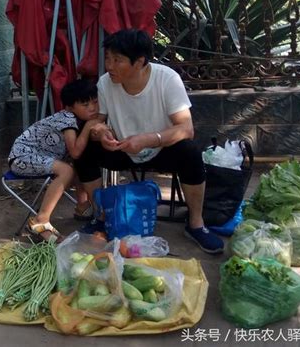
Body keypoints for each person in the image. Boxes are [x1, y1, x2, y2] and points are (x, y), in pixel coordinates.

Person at [74, 29, 224, 254]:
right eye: (107, 58)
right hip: (121, 149)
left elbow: (186, 128)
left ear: (140, 62)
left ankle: (196, 224)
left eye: (117, 60)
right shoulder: (105, 84)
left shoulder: (167, 79)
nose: (109, 66)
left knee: (190, 151)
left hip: (161, 149)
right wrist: (101, 133)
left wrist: (150, 139)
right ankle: (102, 216)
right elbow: (99, 121)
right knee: (85, 149)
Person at [8, 79, 103, 242]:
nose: (92, 108)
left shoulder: (78, 119)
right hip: (22, 157)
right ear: (70, 107)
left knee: (78, 164)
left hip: (39, 157)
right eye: (85, 105)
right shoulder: (67, 118)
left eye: (95, 102)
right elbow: (74, 151)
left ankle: (82, 207)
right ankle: (41, 220)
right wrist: (89, 127)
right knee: (67, 170)